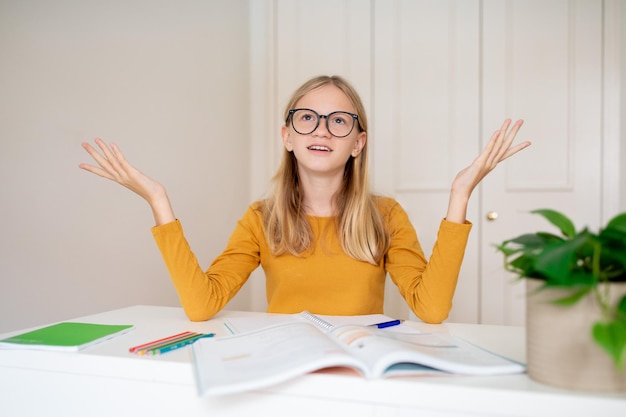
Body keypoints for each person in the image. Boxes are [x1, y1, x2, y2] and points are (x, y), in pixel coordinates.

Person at [80, 75, 530, 324]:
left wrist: (460, 193)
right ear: (287, 136)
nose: (321, 128)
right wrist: (158, 200)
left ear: (358, 143)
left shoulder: (386, 216)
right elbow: (202, 305)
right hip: (285, 373)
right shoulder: (261, 218)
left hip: (358, 375)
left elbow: (430, 310)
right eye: (308, 118)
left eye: (339, 121)